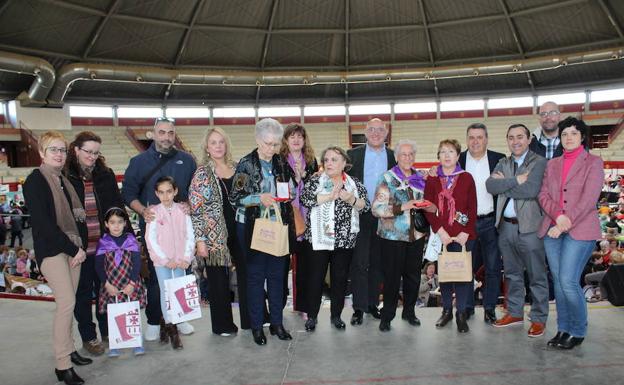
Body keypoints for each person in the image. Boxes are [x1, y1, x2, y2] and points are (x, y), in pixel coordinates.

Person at [23, 130, 91, 385]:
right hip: (53, 252)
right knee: (65, 304)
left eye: (62, 150)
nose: (59, 154)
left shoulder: (67, 181)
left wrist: (79, 248)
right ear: (41, 152)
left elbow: (79, 221)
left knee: (69, 305)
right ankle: (63, 365)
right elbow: (44, 224)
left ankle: (71, 348)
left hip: (73, 251)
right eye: (54, 149)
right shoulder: (35, 181)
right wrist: (75, 250)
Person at [122, 117, 197, 341]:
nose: (166, 137)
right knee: (157, 278)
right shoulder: (139, 162)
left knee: (182, 274)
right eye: (162, 132)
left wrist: (190, 204)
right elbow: (128, 193)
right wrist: (142, 211)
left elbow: (195, 191)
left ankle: (181, 318)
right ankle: (155, 320)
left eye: (170, 133)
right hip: (155, 228)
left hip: (181, 227)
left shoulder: (187, 160)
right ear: (153, 134)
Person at [537, 117, 604, 349]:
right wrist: (558, 216)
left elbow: (589, 198)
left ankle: (577, 330)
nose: (569, 137)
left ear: (582, 137)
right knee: (559, 282)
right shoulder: (552, 164)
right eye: (565, 134)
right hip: (553, 229)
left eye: (574, 133)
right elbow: (543, 195)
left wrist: (565, 222)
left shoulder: (593, 162)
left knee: (568, 281)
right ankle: (563, 329)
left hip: (581, 229)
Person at [230, 118, 295, 346]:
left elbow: (292, 191)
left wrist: (286, 194)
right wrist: (259, 198)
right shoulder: (245, 164)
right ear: (258, 140)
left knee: (278, 277)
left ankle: (277, 323)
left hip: (277, 225)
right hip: (250, 228)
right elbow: (235, 198)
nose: (272, 149)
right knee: (256, 278)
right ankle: (258, 327)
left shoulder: (282, 163)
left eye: (276, 144)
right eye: (267, 144)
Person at [65, 131, 129, 356]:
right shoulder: (66, 176)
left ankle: (110, 331)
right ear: (76, 150)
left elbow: (117, 206)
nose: (92, 157)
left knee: (107, 292)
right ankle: (89, 337)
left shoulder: (105, 174)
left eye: (96, 152)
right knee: (82, 295)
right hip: (79, 250)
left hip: (105, 247)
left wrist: (127, 240)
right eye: (88, 152)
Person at [486, 124, 549, 337]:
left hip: (531, 228)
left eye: (520, 137)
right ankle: (514, 312)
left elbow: (531, 189)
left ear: (529, 139)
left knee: (536, 275)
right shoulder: (503, 162)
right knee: (512, 274)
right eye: (511, 137)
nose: (516, 141)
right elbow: (490, 186)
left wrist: (505, 184)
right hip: (506, 227)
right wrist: (515, 181)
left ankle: (539, 318)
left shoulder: (539, 162)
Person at [300, 146, 370, 331]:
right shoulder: (316, 181)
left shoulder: (354, 184)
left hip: (344, 241)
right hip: (318, 239)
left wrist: (350, 199)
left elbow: (366, 206)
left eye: (334, 159)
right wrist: (329, 196)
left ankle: (336, 315)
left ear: (344, 163)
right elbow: (305, 199)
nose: (329, 163)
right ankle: (312, 316)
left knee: (340, 279)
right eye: (327, 160)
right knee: (315, 278)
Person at [371, 140, 435, 331]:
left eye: (411, 155)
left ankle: (409, 312)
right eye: (403, 154)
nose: (407, 158)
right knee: (391, 278)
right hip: (392, 237)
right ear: (397, 157)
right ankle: (387, 316)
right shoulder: (387, 178)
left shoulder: (421, 179)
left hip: (416, 236)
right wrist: (403, 207)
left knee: (413, 277)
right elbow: (376, 209)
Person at [189, 127, 239, 336]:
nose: (218, 146)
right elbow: (196, 208)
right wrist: (200, 240)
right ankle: (222, 325)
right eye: (213, 143)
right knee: (218, 281)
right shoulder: (202, 173)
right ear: (207, 148)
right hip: (213, 236)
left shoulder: (237, 168)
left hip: (240, 230)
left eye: (221, 142)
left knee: (245, 276)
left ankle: (250, 319)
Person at [347, 118, 396, 325]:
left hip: (385, 216)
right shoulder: (352, 156)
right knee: (359, 262)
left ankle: (372, 304)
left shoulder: (394, 156)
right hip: (360, 213)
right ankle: (358, 307)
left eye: (380, 130)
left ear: (386, 133)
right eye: (371, 130)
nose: (376, 133)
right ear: (365, 133)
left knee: (378, 263)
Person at [424, 139, 477, 333]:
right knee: (445, 275)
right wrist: (440, 231)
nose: (447, 155)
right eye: (443, 152)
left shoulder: (466, 178)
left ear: (457, 155)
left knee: (463, 276)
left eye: (451, 151)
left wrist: (466, 231)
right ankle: (446, 310)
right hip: (441, 235)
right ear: (438, 156)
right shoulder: (432, 179)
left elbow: (473, 207)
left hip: (463, 236)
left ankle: (461, 313)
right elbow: (427, 207)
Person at [458, 123, 505, 323]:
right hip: (466, 224)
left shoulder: (499, 159)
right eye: (472, 137)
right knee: (465, 268)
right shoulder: (458, 160)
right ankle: (467, 306)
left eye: (479, 137)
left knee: (493, 268)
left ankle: (489, 307)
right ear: (467, 140)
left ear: (486, 139)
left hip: (490, 222)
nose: (475, 141)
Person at [145, 176, 195, 350]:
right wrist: (165, 260)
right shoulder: (154, 213)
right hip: (163, 263)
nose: (165, 196)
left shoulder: (183, 210)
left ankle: (180, 320)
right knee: (165, 293)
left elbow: (190, 235)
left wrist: (186, 257)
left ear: (175, 191)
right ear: (156, 194)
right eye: (161, 193)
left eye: (169, 192)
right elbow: (151, 240)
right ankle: (170, 326)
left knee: (179, 291)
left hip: (181, 261)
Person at [94, 207, 146, 357]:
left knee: (132, 313)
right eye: (112, 222)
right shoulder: (103, 242)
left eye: (120, 222)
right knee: (114, 314)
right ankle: (115, 343)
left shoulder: (131, 240)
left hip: (129, 281)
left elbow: (136, 263)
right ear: (106, 224)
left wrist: (132, 283)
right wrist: (106, 284)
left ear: (125, 223)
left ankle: (137, 341)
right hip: (112, 283)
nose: (116, 226)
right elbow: (98, 266)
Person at [279, 123, 319, 315]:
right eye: (292, 136)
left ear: (304, 140)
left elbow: (315, 187)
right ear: (286, 140)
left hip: (307, 219)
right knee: (280, 265)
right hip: (286, 218)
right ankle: (278, 306)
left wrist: (304, 176)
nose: (296, 140)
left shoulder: (311, 161)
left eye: (299, 137)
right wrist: (295, 179)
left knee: (305, 266)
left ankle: (303, 306)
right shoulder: (279, 160)